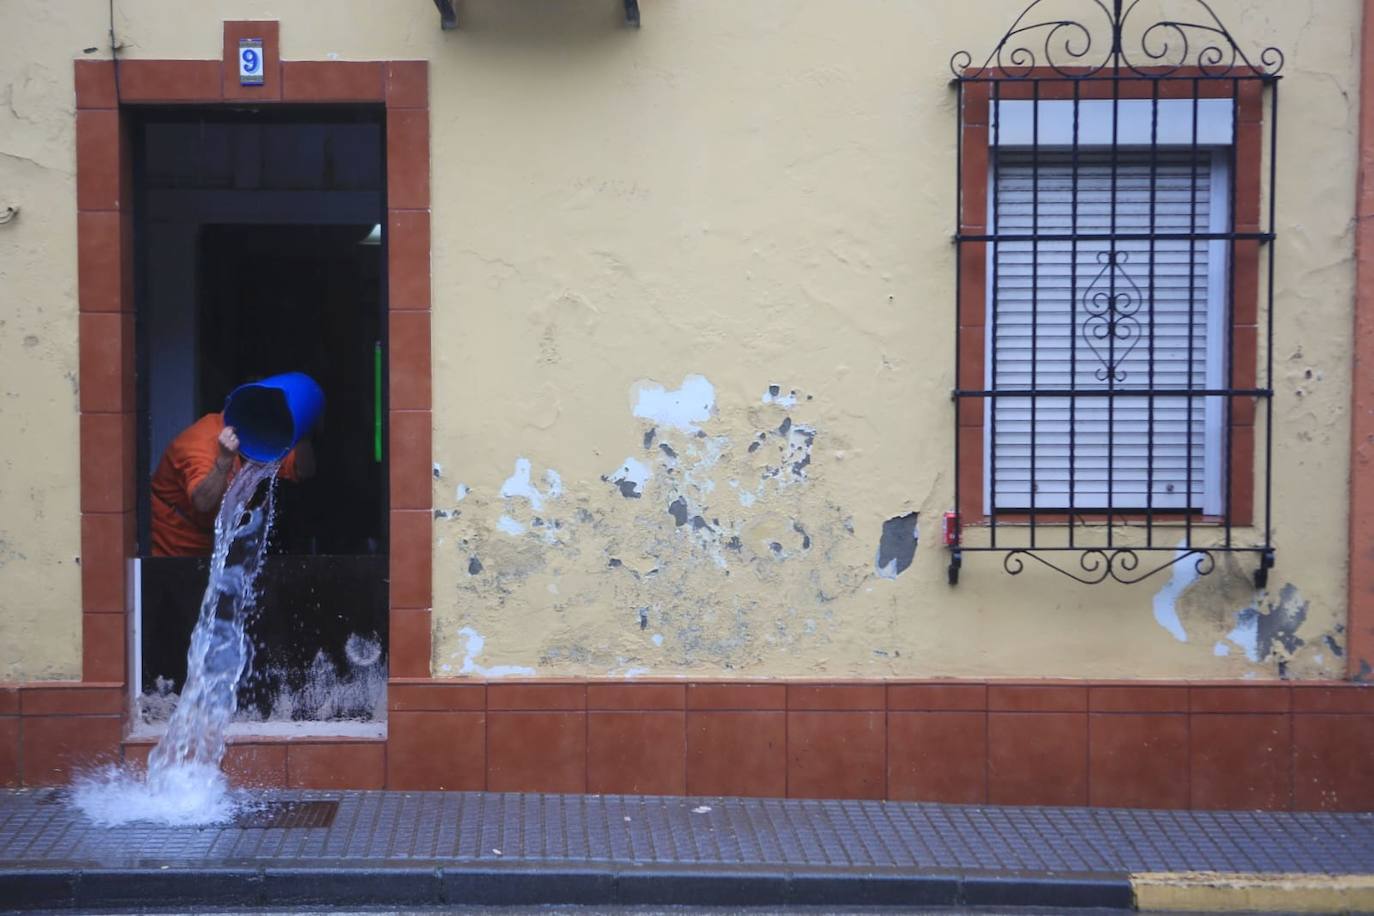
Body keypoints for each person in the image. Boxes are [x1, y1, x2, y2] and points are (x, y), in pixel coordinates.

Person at [150, 412, 315, 557]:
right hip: (172, 543)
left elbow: (303, 469)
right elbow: (202, 502)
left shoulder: (263, 438)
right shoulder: (201, 442)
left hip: (220, 543)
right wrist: (224, 460)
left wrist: (300, 428)